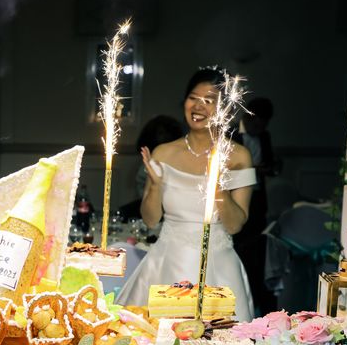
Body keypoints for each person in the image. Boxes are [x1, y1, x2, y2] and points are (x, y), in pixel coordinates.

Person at [117, 67, 255, 321]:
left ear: (224, 109)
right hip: (165, 264)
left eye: (209, 100)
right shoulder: (164, 153)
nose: (198, 106)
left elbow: (235, 226)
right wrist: (157, 186)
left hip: (218, 268)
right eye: (193, 97)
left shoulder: (238, 157)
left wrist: (218, 188)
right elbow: (149, 220)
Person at [233, 97, 278, 315]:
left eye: (264, 124)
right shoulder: (232, 135)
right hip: (236, 199)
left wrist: (266, 169)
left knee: (258, 252)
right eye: (257, 122)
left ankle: (259, 302)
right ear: (247, 116)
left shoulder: (265, 137)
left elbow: (270, 164)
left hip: (259, 200)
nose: (260, 128)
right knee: (240, 248)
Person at [119, 115, 184, 221]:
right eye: (160, 133)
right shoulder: (148, 160)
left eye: (167, 133)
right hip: (149, 204)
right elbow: (141, 189)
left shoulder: (178, 158)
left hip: (172, 209)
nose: (164, 137)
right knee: (124, 212)